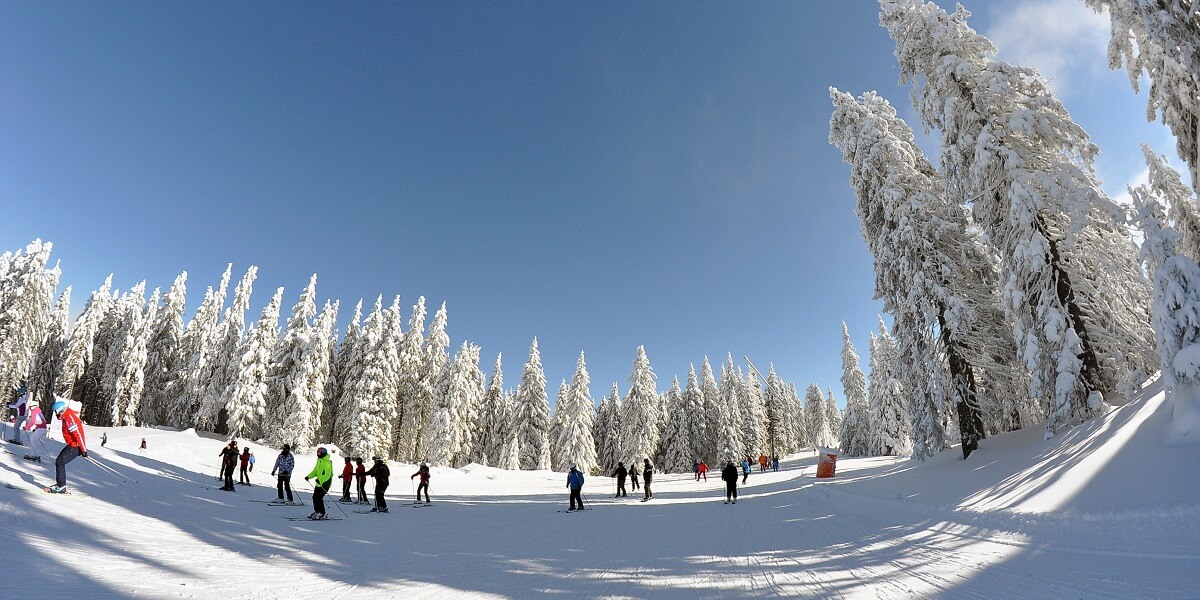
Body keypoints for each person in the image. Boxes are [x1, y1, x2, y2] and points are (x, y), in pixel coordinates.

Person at [49, 399, 87, 494]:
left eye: (56, 412)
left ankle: (61, 486)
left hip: (75, 446)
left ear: (60, 411)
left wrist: (83, 450)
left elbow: (78, 434)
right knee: (59, 462)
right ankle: (61, 485)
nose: (56, 414)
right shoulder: (67, 417)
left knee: (60, 462)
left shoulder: (69, 418)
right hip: (73, 445)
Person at [304, 446, 333, 519]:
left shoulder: (327, 463)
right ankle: (317, 511)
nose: (318, 454)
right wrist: (309, 476)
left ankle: (322, 513)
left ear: (323, 453)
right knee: (315, 497)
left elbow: (327, 474)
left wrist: (321, 480)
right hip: (318, 484)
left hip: (325, 484)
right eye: (317, 452)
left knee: (319, 498)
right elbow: (315, 471)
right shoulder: (319, 461)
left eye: (319, 453)